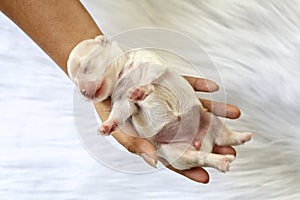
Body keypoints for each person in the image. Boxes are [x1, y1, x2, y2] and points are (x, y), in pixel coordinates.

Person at [0, 0, 241, 183]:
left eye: (87, 70)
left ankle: (231, 136)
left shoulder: (137, 57)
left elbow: (153, 67)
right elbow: (122, 106)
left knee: (209, 118)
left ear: (105, 44)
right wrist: (113, 119)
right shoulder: (113, 88)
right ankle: (213, 159)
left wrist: (148, 83)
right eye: (78, 84)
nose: (84, 88)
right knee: (172, 153)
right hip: (168, 136)